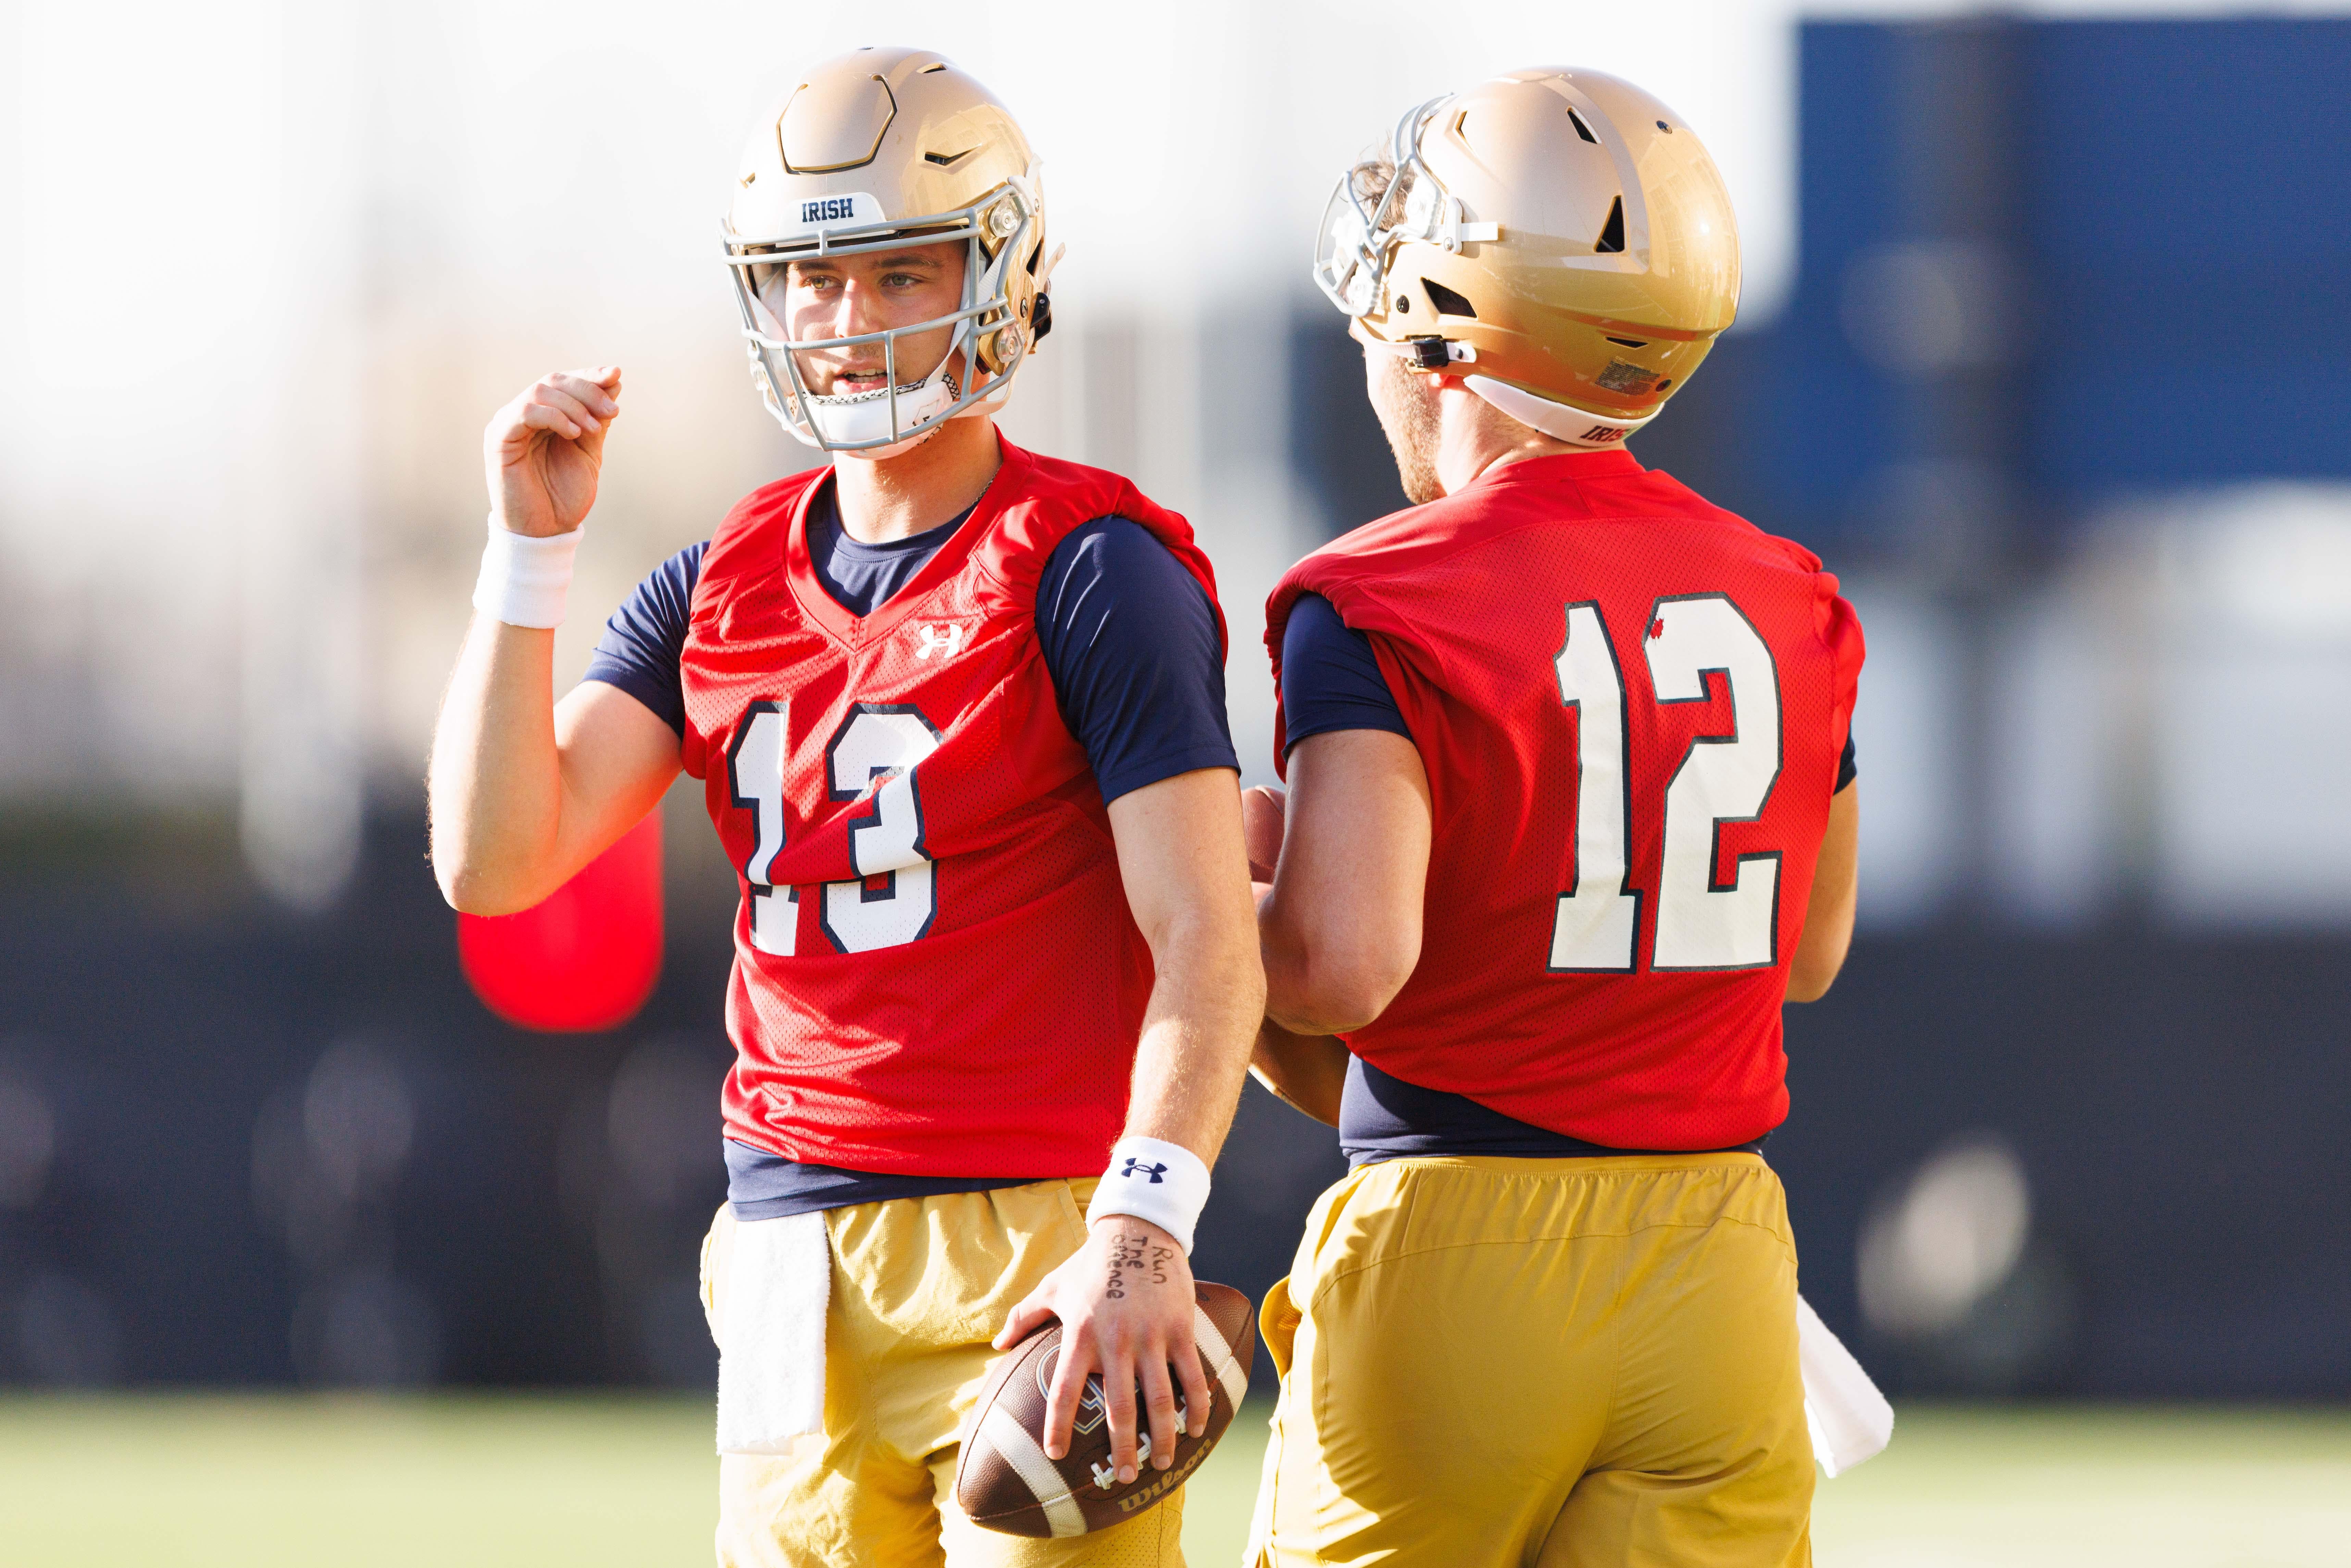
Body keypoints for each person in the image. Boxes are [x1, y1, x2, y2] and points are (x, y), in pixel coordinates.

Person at [426, 48, 1262, 1568]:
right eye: (813, 279)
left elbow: (1209, 931)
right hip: (788, 1244)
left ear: (998, 270)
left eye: (896, 270)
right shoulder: (718, 580)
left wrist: (1144, 1224)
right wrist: (525, 556)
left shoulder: (1090, 568)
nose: (849, 320)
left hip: (1037, 1233)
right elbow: (496, 857)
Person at [1246, 69, 1866, 1567]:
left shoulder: (1379, 595)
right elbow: (1807, 952)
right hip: (1718, 1259)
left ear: (1455, 332)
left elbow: (1342, 966)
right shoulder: (1793, 596)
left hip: (1456, 1255)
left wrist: (1218, 896)